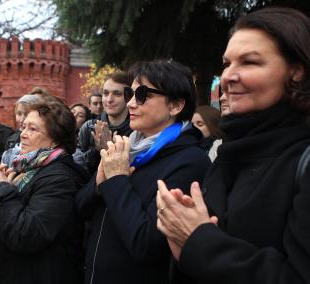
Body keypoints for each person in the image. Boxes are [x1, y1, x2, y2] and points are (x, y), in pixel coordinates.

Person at [156, 7, 310, 284]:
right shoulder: (229, 155)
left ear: (296, 72)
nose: (228, 77)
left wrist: (199, 242)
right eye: (227, 64)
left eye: (249, 62)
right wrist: (181, 240)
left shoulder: (302, 161)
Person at [76, 59, 211, 284]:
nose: (130, 103)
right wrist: (99, 186)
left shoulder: (190, 161)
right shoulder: (126, 148)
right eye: (130, 94)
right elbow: (79, 208)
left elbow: (145, 243)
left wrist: (117, 179)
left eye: (142, 95)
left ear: (175, 105)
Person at [0, 100, 89, 284]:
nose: (23, 135)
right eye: (23, 127)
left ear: (55, 139)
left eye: (33, 129)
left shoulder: (59, 178)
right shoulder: (28, 167)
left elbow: (27, 234)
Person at [74, 71, 133, 173]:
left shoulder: (137, 130)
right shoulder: (89, 127)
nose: (109, 99)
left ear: (129, 97)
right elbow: (75, 165)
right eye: (105, 93)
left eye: (117, 94)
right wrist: (97, 151)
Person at [2, 94, 43, 167]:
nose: (22, 119)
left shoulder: (41, 140)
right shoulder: (11, 140)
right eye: (19, 114)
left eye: (27, 114)